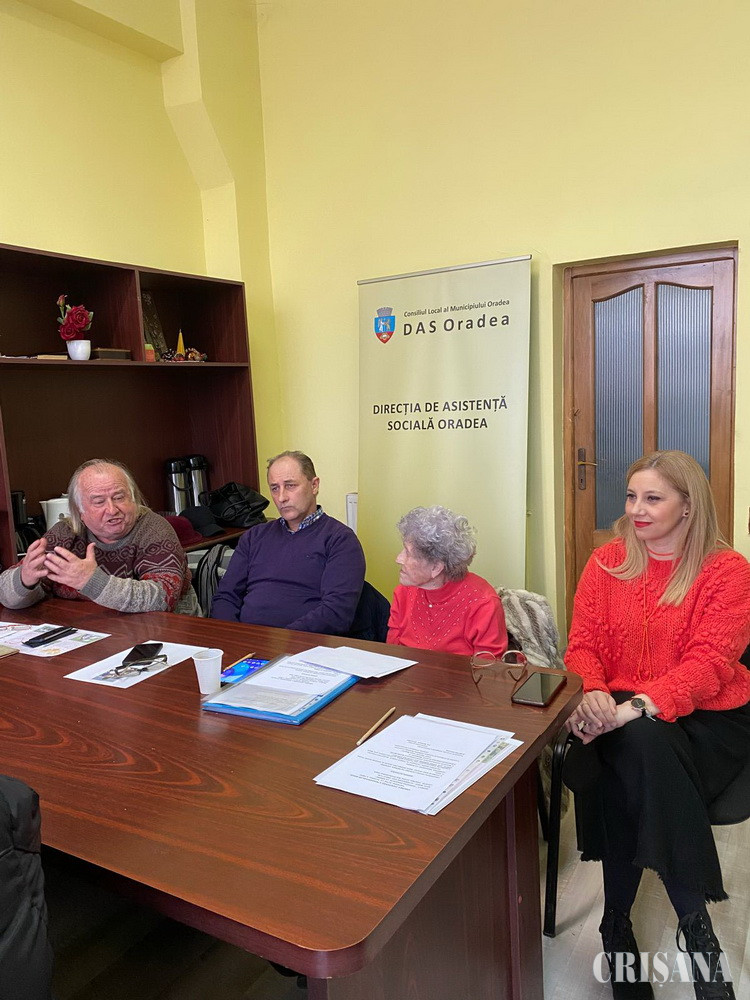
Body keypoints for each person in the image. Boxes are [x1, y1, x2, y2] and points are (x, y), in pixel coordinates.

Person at [564, 450, 750, 1000]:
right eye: (631, 496)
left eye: (653, 498)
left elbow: (710, 665)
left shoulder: (727, 570)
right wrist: (593, 691)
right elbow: (582, 645)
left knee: (630, 749)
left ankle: (615, 926)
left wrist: (628, 710)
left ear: (688, 506)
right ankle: (700, 941)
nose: (636, 510)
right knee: (636, 750)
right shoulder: (606, 562)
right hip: (623, 717)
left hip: (709, 719)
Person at [0, 459, 199, 615]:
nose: (112, 509)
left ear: (134, 499)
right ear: (80, 511)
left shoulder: (154, 529)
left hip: (163, 635)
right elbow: (5, 594)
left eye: (119, 497)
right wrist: (25, 580)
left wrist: (91, 581)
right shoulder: (66, 533)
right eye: (98, 502)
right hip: (88, 633)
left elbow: (162, 599)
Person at [210, 451, 365, 633]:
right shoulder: (254, 537)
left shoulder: (340, 539)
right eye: (275, 488)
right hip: (245, 640)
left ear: (314, 485)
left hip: (302, 644)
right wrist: (233, 636)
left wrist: (281, 640)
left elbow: (336, 613)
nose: (281, 497)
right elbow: (225, 597)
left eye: (290, 485)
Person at [386, 505, 508, 657]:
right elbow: (393, 655)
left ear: (436, 567)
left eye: (408, 553)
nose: (398, 559)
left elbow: (487, 667)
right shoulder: (403, 591)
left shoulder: (483, 604)